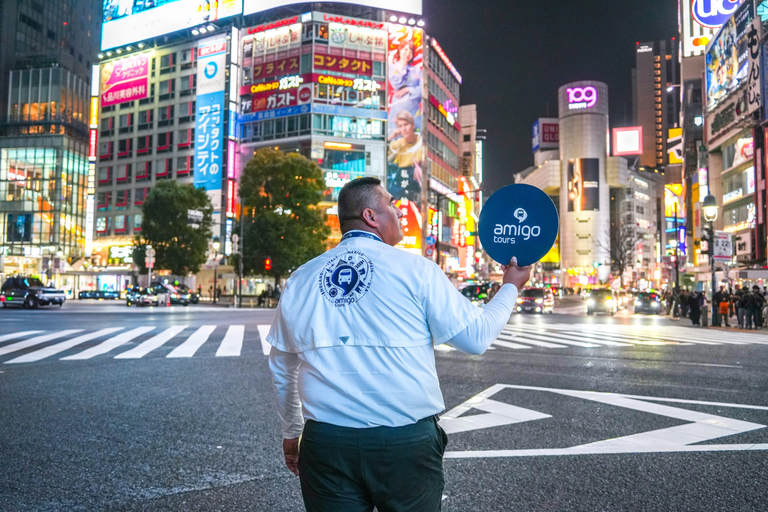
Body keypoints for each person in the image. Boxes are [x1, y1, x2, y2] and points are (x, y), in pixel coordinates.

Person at [266, 177, 531, 512]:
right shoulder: (416, 270)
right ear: (371, 216)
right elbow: (476, 338)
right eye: (391, 203)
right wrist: (510, 287)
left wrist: (293, 431)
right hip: (404, 441)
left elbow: (282, 364)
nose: (400, 212)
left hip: (327, 442)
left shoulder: (302, 278)